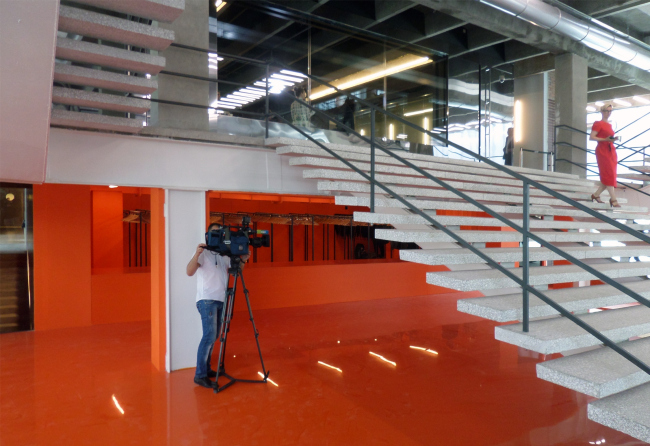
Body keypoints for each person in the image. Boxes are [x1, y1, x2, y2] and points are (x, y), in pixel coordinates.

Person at [186, 224, 250, 389]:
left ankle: (206, 370)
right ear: (208, 235)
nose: (217, 235)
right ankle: (199, 375)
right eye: (214, 232)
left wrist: (242, 259)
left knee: (213, 337)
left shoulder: (224, 255)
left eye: (220, 232)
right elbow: (189, 271)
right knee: (209, 336)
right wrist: (197, 254)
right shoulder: (203, 252)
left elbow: (236, 271)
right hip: (206, 300)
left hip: (221, 299)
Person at [590, 103, 621, 208]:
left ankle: (596, 195)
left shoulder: (609, 124)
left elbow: (607, 138)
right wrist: (605, 139)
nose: (609, 113)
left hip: (610, 149)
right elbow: (592, 137)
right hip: (602, 150)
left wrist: (612, 139)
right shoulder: (598, 123)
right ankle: (613, 199)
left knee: (610, 174)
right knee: (608, 174)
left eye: (610, 111)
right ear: (602, 111)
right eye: (607, 111)